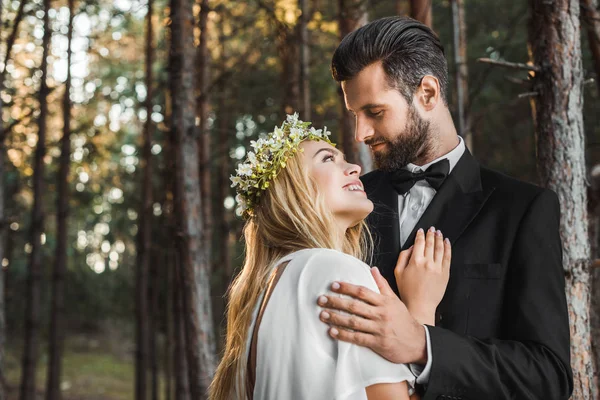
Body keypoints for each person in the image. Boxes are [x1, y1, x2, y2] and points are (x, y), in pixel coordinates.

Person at [316, 16, 573, 399]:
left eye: (375, 112)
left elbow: (548, 375)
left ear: (428, 93)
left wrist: (423, 345)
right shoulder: (350, 202)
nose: (361, 134)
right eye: (356, 115)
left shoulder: (522, 209)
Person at [209, 114, 451, 400]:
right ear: (294, 187)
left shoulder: (266, 290)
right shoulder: (337, 271)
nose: (355, 167)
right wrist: (421, 311)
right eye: (328, 159)